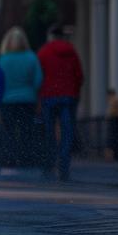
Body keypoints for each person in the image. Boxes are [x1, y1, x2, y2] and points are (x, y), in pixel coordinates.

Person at [37, 25, 84, 181]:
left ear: (50, 36)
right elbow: (79, 75)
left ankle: (49, 163)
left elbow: (38, 76)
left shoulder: (43, 52)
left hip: (49, 96)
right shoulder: (71, 52)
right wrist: (75, 92)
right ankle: (64, 166)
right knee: (67, 132)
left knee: (49, 132)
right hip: (68, 97)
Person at [0, 26, 42, 169]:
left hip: (7, 101)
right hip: (27, 100)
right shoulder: (32, 57)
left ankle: (9, 160)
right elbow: (38, 80)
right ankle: (26, 160)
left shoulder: (3, 59)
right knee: (26, 130)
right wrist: (34, 93)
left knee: (9, 131)